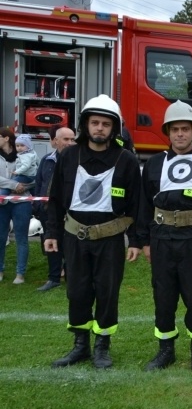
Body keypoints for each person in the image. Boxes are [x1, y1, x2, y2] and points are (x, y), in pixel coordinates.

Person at [46, 95, 142, 369]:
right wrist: (51, 233)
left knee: (107, 292)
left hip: (110, 240)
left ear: (114, 128)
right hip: (74, 238)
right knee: (76, 291)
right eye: (95, 122)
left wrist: (135, 240)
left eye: (105, 124)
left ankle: (102, 346)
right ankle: (80, 345)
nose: (100, 128)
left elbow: (136, 204)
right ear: (85, 125)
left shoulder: (126, 160)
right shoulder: (69, 155)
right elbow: (55, 199)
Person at [138, 101, 192, 372]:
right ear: (168, 132)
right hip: (162, 239)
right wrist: (144, 242)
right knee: (163, 298)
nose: (180, 134)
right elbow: (144, 205)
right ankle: (166, 350)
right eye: (175, 129)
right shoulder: (154, 164)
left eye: (185, 129)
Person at [34, 126, 76, 292]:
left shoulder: (78, 161)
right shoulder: (46, 160)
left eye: (72, 139)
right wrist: (37, 206)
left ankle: (71, 277)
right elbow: (39, 183)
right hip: (48, 212)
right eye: (66, 139)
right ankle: (53, 278)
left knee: (71, 246)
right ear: (55, 141)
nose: (70, 143)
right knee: (51, 244)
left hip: (71, 214)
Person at [0, 127, 34, 284]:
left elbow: (33, 177)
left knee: (21, 238)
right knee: (0, 238)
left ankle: (20, 274)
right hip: (2, 202)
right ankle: (0, 270)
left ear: (6, 138)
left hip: (22, 202)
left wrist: (21, 187)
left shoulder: (25, 153)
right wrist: (14, 185)